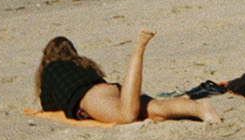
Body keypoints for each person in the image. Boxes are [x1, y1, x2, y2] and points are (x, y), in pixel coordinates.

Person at [35, 30, 218, 123]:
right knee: (158, 110)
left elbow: (48, 105)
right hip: (112, 89)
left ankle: (139, 49)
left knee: (126, 115)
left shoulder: (50, 69)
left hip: (90, 97)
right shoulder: (81, 63)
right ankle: (201, 109)